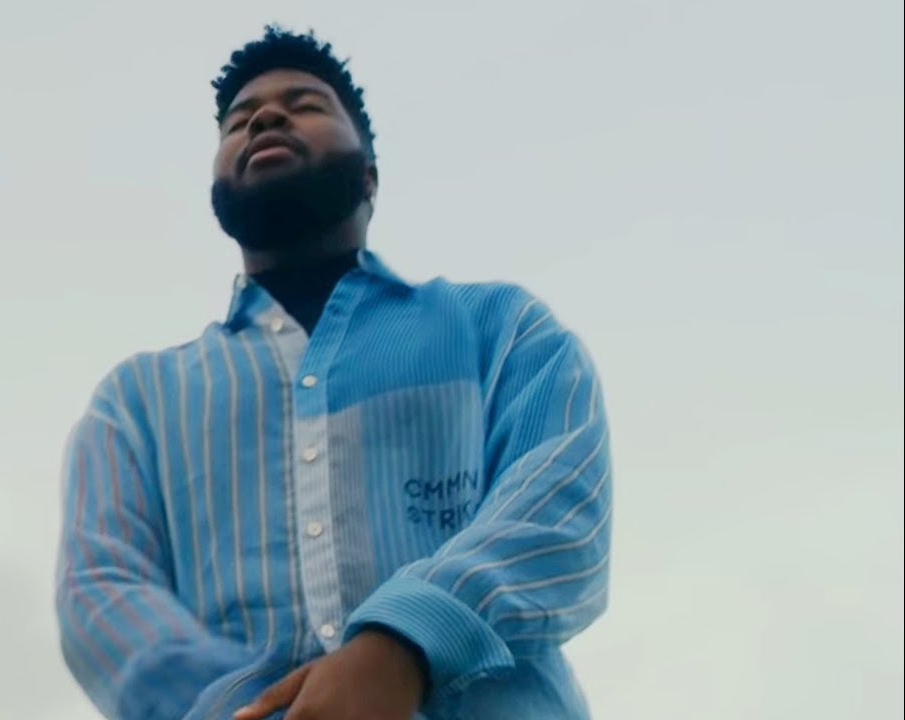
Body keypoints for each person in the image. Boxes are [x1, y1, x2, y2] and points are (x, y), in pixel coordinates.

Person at [54, 25, 613, 720]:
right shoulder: (137, 403)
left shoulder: (500, 329)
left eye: (306, 104)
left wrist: (405, 643)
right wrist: (252, 707)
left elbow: (563, 512)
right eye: (239, 120)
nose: (265, 117)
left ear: (369, 175)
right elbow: (101, 592)